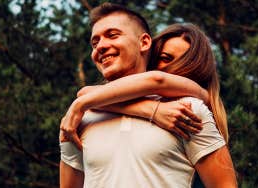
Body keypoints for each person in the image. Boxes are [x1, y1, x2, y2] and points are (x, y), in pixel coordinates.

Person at [60, 3, 237, 188]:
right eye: (95, 43)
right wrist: (153, 110)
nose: (101, 46)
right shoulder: (76, 120)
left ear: (144, 43)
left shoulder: (187, 111)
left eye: (112, 35)